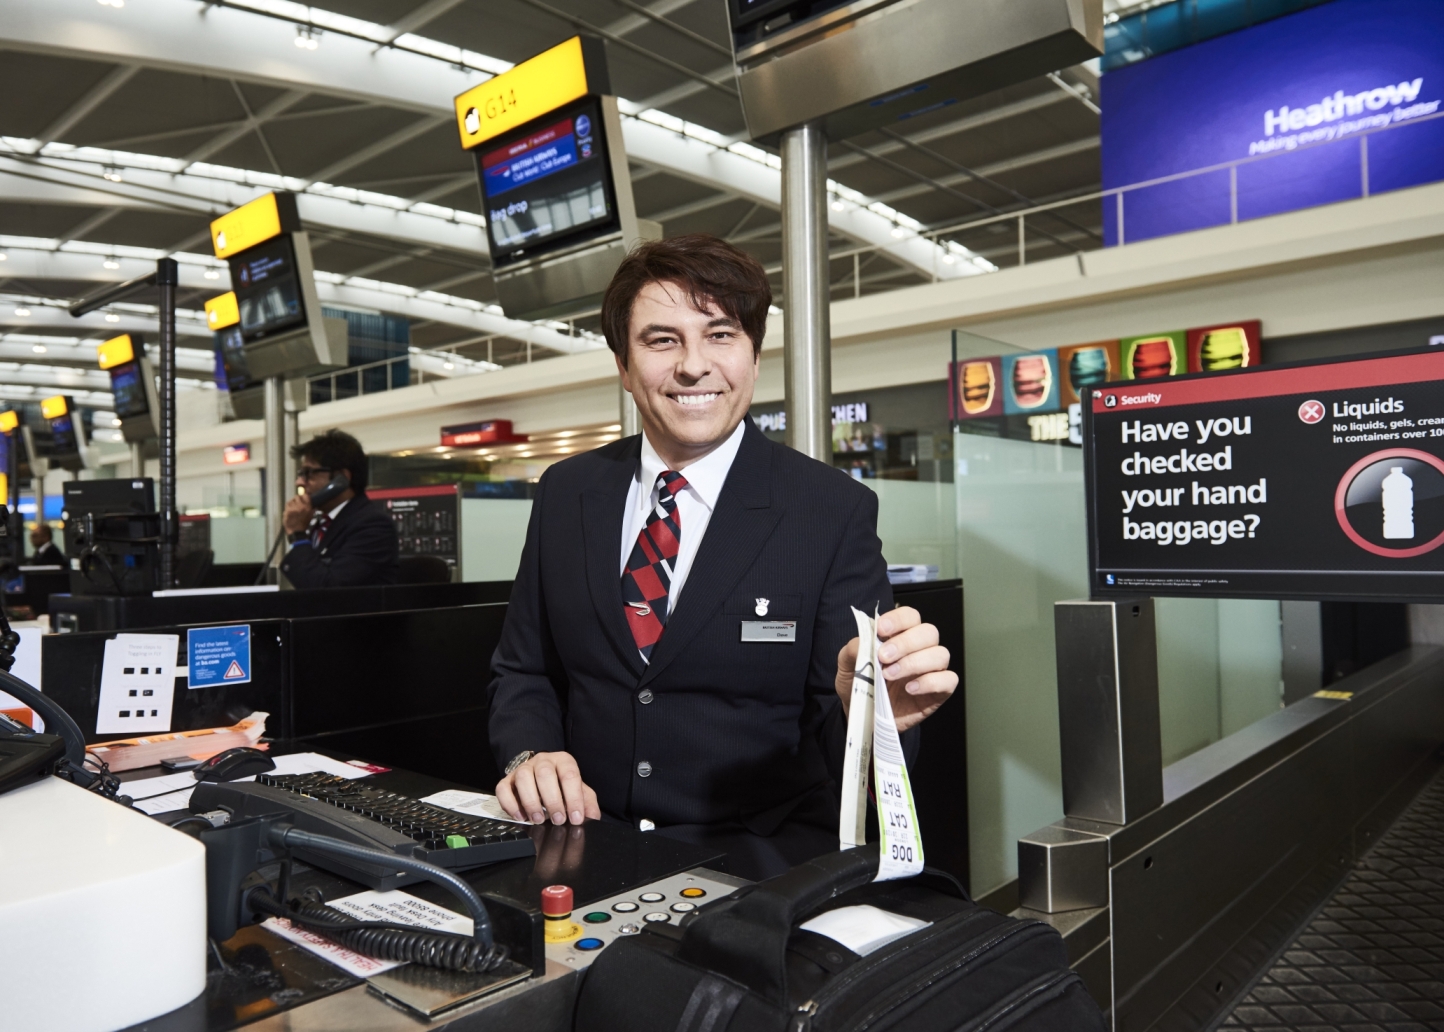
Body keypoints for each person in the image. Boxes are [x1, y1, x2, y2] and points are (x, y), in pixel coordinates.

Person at [487, 235, 957, 880]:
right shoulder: (568, 492)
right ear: (624, 365)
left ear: (754, 357)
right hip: (583, 844)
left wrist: (873, 718)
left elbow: (846, 731)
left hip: (757, 863)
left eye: (721, 335)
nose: (693, 365)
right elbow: (524, 669)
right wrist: (529, 754)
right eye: (661, 340)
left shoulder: (829, 509)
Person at [279, 429, 399, 590]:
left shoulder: (372, 525)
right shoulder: (318, 522)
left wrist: (298, 536)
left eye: (309, 473)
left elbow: (330, 591)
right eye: (301, 473)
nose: (299, 482)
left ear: (341, 478)